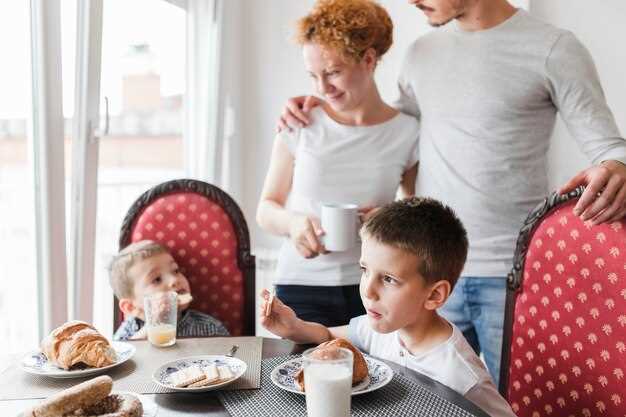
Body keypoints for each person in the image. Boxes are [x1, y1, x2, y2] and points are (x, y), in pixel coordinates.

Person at [275, 0, 626, 385]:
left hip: (512, 276)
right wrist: (320, 105)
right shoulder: (421, 53)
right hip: (424, 276)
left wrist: (617, 167)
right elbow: (390, 127)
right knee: (408, 400)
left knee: (514, 400)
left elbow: (610, 147)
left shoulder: (553, 48)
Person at [261, 197, 516, 417]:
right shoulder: (386, 329)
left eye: (388, 279)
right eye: (365, 270)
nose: (368, 291)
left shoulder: (461, 377)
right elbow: (329, 336)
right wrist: (294, 327)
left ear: (435, 294)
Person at [256, 0, 420, 327]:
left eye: (332, 72)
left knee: (372, 377)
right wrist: (293, 224)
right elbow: (266, 208)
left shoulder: (407, 132)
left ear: (368, 60)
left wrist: (387, 220)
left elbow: (418, 214)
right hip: (300, 285)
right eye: (313, 75)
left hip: (375, 289)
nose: (321, 87)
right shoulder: (301, 122)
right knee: (304, 376)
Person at [109, 240, 229, 340]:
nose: (174, 280)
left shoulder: (209, 329)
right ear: (131, 307)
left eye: (176, 271)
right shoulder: (129, 330)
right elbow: (118, 360)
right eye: (157, 279)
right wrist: (152, 326)